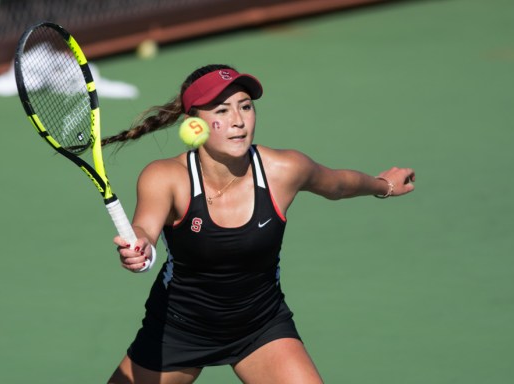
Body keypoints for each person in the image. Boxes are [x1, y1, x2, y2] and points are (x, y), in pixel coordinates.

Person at [104, 64, 415, 383]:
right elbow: (145, 230)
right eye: (222, 110)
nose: (238, 121)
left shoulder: (283, 169)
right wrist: (140, 247)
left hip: (260, 327)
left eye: (246, 107)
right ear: (194, 125)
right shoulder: (166, 177)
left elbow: (337, 184)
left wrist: (384, 185)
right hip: (178, 329)